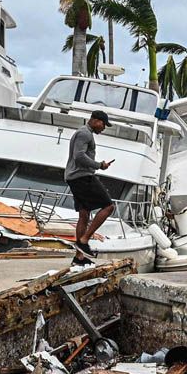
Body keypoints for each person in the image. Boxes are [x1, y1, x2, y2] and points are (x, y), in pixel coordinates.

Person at [65, 110, 116, 265]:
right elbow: (79, 157)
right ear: (95, 120)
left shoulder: (82, 133)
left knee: (84, 214)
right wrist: (99, 165)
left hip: (74, 177)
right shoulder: (85, 134)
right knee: (109, 206)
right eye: (103, 124)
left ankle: (78, 258)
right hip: (82, 177)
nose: (104, 128)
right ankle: (84, 240)